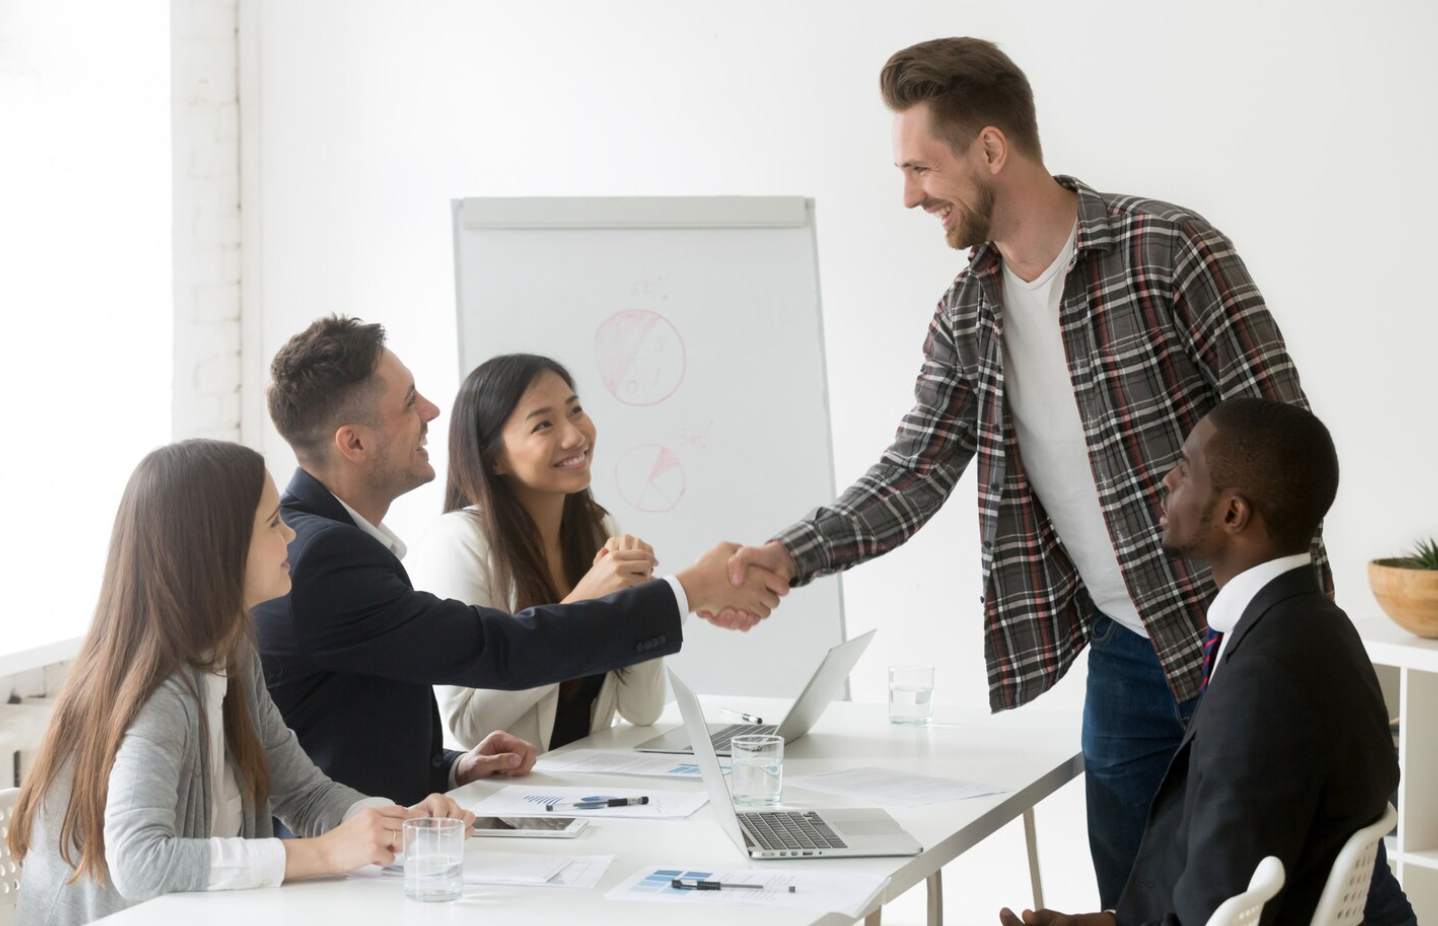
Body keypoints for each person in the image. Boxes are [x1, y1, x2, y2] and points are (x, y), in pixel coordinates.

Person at [710, 37, 1324, 905]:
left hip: (1239, 641)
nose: (909, 194)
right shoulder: (969, 312)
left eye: (921, 168)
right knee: (1132, 905)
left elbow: (1287, 437)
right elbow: (915, 469)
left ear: (991, 149)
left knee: (1294, 894)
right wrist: (794, 554)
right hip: (1121, 651)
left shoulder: (1168, 249)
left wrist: (1277, 632)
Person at [251, 316, 784, 806]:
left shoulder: (337, 544)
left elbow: (353, 730)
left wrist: (453, 769)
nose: (433, 411)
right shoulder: (324, 556)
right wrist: (685, 591)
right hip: (353, 869)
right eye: (410, 400)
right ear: (355, 443)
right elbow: (498, 650)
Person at [8, 440, 473, 926]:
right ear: (219, 548)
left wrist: (407, 825)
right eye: (274, 523)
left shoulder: (231, 657)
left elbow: (306, 794)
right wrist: (323, 854)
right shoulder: (161, 694)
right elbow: (140, 862)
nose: (291, 535)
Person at [998, 398, 1411, 926]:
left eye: (1187, 469)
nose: (1167, 480)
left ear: (1233, 513)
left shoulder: (1266, 677)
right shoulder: (1318, 626)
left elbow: (1223, 904)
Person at [410, 354, 665, 753]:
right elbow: (467, 727)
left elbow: (643, 710)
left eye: (575, 411)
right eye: (544, 425)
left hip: (588, 792)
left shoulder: (600, 529)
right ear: (494, 458)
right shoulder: (457, 541)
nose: (575, 436)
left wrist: (640, 604)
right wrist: (585, 604)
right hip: (501, 807)